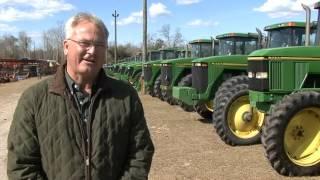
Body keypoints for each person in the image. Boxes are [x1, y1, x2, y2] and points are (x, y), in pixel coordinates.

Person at [7, 12, 154, 180]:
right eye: (84, 43)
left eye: (99, 45)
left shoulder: (125, 96)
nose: (92, 51)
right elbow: (21, 165)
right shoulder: (34, 99)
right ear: (66, 46)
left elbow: (140, 152)